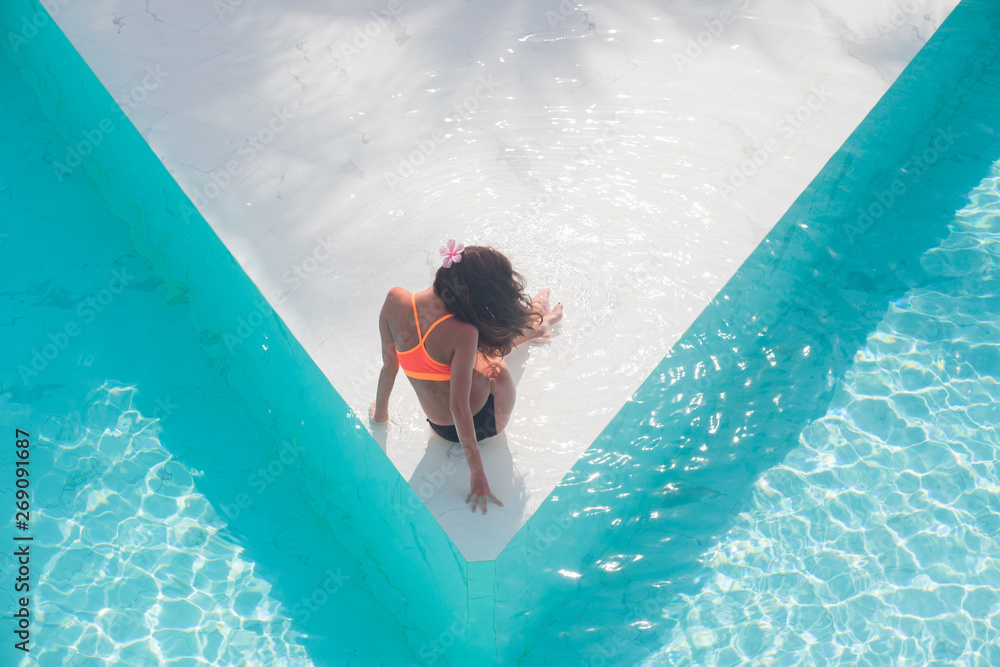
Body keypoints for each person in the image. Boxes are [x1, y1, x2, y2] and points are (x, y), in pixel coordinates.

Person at [369, 241, 563, 514]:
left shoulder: (394, 300)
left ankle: (537, 324)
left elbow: (389, 366)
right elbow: (458, 407)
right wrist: (478, 474)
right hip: (486, 421)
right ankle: (537, 325)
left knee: (482, 349)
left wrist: (380, 415)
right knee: (493, 352)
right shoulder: (464, 333)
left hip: (439, 428)